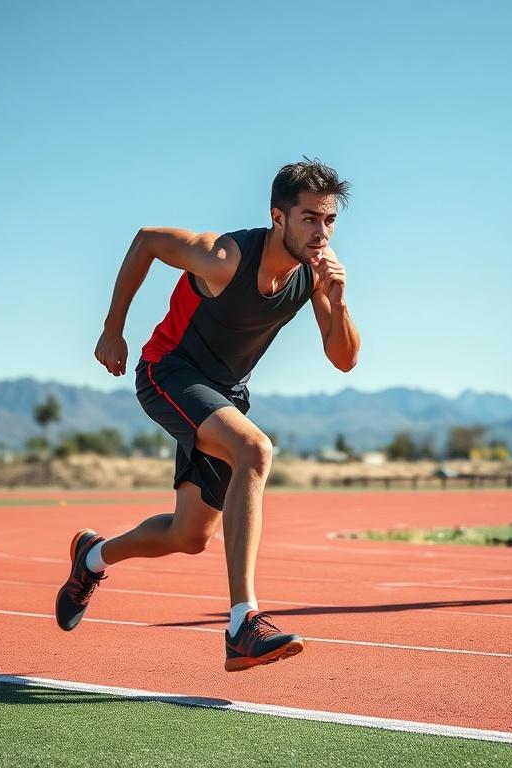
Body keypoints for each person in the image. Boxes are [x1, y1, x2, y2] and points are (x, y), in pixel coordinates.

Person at [55, 159, 359, 670]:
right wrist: (113, 329)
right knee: (255, 449)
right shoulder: (225, 258)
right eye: (309, 218)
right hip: (167, 372)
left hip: (223, 394)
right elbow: (148, 239)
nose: (321, 232)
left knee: (190, 536)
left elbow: (344, 358)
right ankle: (243, 623)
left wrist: (340, 302)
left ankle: (91, 558)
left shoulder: (315, 273)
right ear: (277, 217)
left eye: (329, 220)